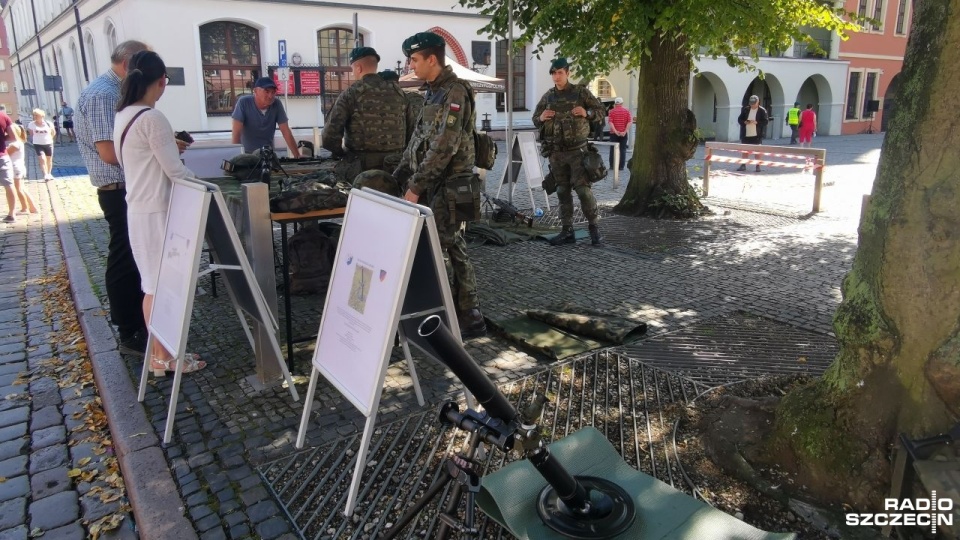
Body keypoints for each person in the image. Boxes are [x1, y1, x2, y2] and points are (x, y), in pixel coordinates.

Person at [114, 50, 205, 375]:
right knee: (159, 288)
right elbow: (176, 172)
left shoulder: (124, 113)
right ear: (162, 81)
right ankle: (164, 358)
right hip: (157, 212)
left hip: (140, 209)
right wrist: (208, 187)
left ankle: (162, 354)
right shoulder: (152, 118)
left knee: (153, 286)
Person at [392, 31, 486, 339]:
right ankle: (466, 313)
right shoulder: (432, 92)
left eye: (415, 59)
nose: (412, 65)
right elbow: (419, 139)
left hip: (451, 185)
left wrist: (416, 185)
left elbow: (446, 145)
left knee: (447, 246)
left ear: (432, 59)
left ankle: (462, 314)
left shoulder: (454, 92)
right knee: (449, 244)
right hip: (435, 183)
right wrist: (400, 174)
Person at [75, 40, 150, 357]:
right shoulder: (104, 94)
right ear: (128, 63)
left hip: (124, 188)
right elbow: (109, 152)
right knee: (125, 258)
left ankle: (136, 324)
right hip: (117, 189)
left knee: (132, 257)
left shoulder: (111, 92)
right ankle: (130, 329)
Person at [532, 57, 608, 246]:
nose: (556, 77)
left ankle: (594, 228)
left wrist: (587, 113)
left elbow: (600, 111)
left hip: (578, 152)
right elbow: (535, 118)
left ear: (568, 73)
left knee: (583, 191)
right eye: (553, 73)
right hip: (556, 153)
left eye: (560, 73)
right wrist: (541, 117)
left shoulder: (580, 93)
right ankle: (567, 231)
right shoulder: (548, 97)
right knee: (562, 191)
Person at [321, 47, 413, 172]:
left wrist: (343, 154)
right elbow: (412, 131)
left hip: (361, 168)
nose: (353, 73)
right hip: (395, 167)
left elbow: (329, 137)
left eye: (352, 69)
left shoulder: (351, 94)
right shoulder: (399, 93)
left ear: (358, 68)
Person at [231, 77, 300, 158]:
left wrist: (297, 156)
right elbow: (236, 133)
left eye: (273, 92)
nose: (270, 96)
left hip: (267, 154)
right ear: (256, 91)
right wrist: (237, 159)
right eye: (266, 92)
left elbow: (286, 131)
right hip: (247, 155)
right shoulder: (244, 103)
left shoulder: (277, 104)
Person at [7, 124, 37, 217]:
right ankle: (32, 207)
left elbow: (6, 154)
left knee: (18, 189)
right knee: (22, 188)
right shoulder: (19, 142)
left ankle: (25, 208)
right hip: (19, 167)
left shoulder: (14, 144)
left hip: (15, 168)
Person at [736, 95, 768, 172]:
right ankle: (743, 165)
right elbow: (740, 119)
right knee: (745, 150)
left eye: (754, 103)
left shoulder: (762, 110)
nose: (752, 104)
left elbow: (766, 121)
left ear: (758, 102)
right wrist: (744, 122)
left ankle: (758, 166)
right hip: (746, 133)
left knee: (757, 151)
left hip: (757, 134)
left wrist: (757, 122)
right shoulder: (746, 109)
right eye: (751, 103)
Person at [27, 108, 56, 181]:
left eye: (36, 115)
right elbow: (31, 134)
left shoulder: (49, 123)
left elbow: (53, 133)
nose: (35, 117)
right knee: (42, 159)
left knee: (49, 159)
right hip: (38, 144)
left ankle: (49, 173)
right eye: (34, 115)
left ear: (42, 116)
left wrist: (49, 139)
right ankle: (45, 174)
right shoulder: (31, 124)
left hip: (48, 143)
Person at [606, 97, 632, 170]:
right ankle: (621, 166)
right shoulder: (626, 111)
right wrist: (625, 131)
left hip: (614, 134)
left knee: (613, 150)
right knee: (623, 150)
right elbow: (630, 121)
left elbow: (610, 122)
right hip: (623, 134)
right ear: (622, 103)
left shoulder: (611, 111)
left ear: (615, 103)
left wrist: (615, 131)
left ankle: (612, 165)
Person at [0, 109, 16, 224]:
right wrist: (2, 139)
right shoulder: (3, 116)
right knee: (9, 185)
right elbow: (13, 137)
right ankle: (12, 213)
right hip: (2, 156)